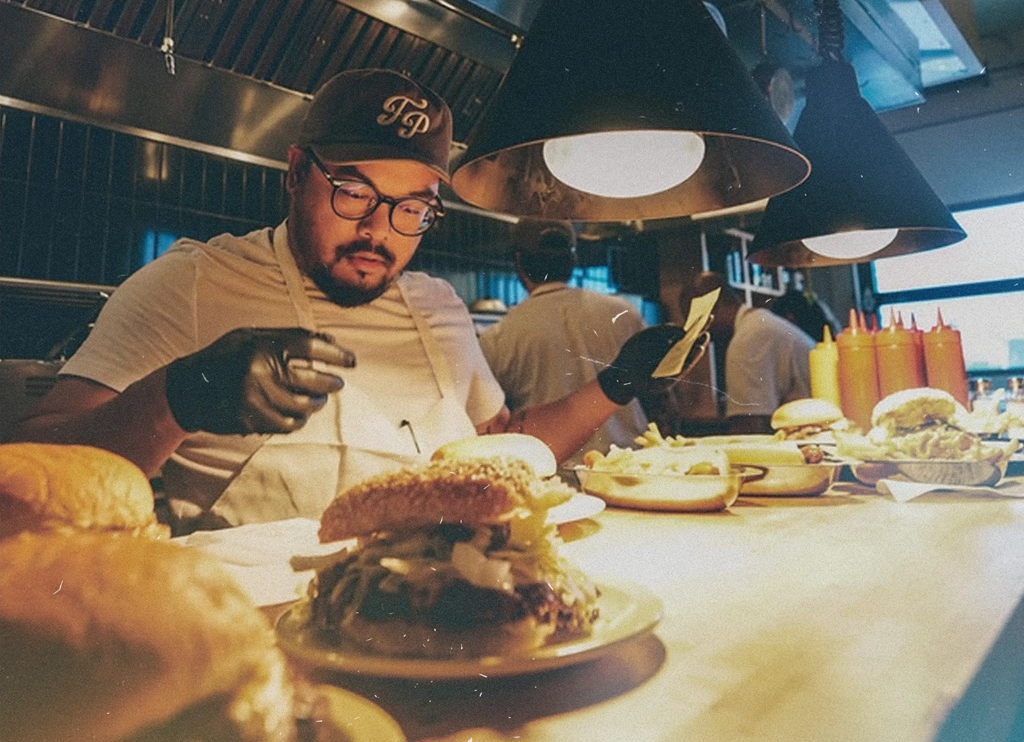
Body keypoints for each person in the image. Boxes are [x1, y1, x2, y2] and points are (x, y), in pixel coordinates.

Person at [12, 69, 680, 530]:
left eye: (411, 207)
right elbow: (30, 473)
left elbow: (502, 450)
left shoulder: (439, 304)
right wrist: (176, 398)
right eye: (355, 193)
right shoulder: (189, 282)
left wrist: (617, 384)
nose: (377, 230)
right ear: (298, 172)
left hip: (444, 607)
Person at [478, 220, 648, 465]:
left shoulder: (498, 336)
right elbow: (660, 396)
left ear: (518, 262)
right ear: (573, 259)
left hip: (554, 475)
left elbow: (493, 423)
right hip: (632, 466)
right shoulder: (623, 312)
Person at [683, 271, 815, 434]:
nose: (697, 333)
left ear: (712, 307)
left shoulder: (746, 340)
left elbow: (748, 428)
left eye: (694, 321)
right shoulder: (758, 324)